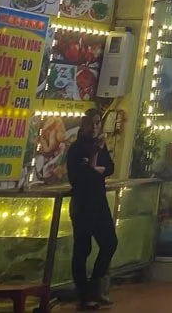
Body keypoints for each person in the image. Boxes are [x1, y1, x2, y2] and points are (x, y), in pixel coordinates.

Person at [66, 108, 118, 310]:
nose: (95, 127)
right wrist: (95, 164)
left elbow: (109, 167)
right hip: (83, 204)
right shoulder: (77, 149)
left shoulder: (100, 146)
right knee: (82, 249)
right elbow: (79, 178)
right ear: (84, 124)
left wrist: (98, 168)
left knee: (110, 242)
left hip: (99, 202)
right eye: (91, 123)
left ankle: (96, 285)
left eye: (98, 123)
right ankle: (83, 293)